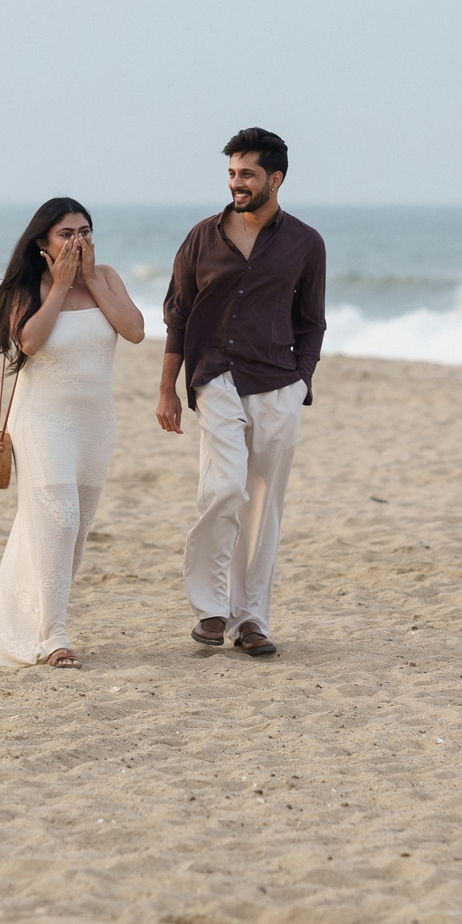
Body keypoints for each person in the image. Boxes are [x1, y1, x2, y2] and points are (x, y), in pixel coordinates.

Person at [157, 128, 326, 658]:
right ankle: (211, 608)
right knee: (225, 488)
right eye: (232, 173)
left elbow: (312, 321)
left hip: (278, 383)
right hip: (216, 377)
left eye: (247, 174)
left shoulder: (305, 243)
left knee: (264, 506)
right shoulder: (202, 237)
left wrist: (302, 379)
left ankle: (251, 619)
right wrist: (167, 387)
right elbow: (178, 313)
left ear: (275, 179)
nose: (237, 183)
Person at [0, 198, 145, 669]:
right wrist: (61, 286)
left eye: (85, 231)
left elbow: (134, 330)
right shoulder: (28, 285)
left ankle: (29, 625)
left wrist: (90, 280)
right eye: (66, 233)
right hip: (42, 420)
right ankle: (54, 637)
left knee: (70, 533)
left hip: (95, 424)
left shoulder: (107, 277)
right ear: (42, 243)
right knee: (60, 518)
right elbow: (28, 341)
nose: (79, 241)